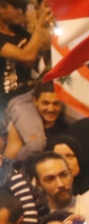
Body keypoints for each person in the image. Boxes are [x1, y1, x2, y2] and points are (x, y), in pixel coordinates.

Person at [0, 0, 53, 160]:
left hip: (36, 91)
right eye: (16, 7)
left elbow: (36, 51)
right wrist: (39, 27)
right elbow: (26, 55)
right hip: (15, 98)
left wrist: (40, 20)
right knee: (35, 146)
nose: (20, 11)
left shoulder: (16, 31)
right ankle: (8, 173)